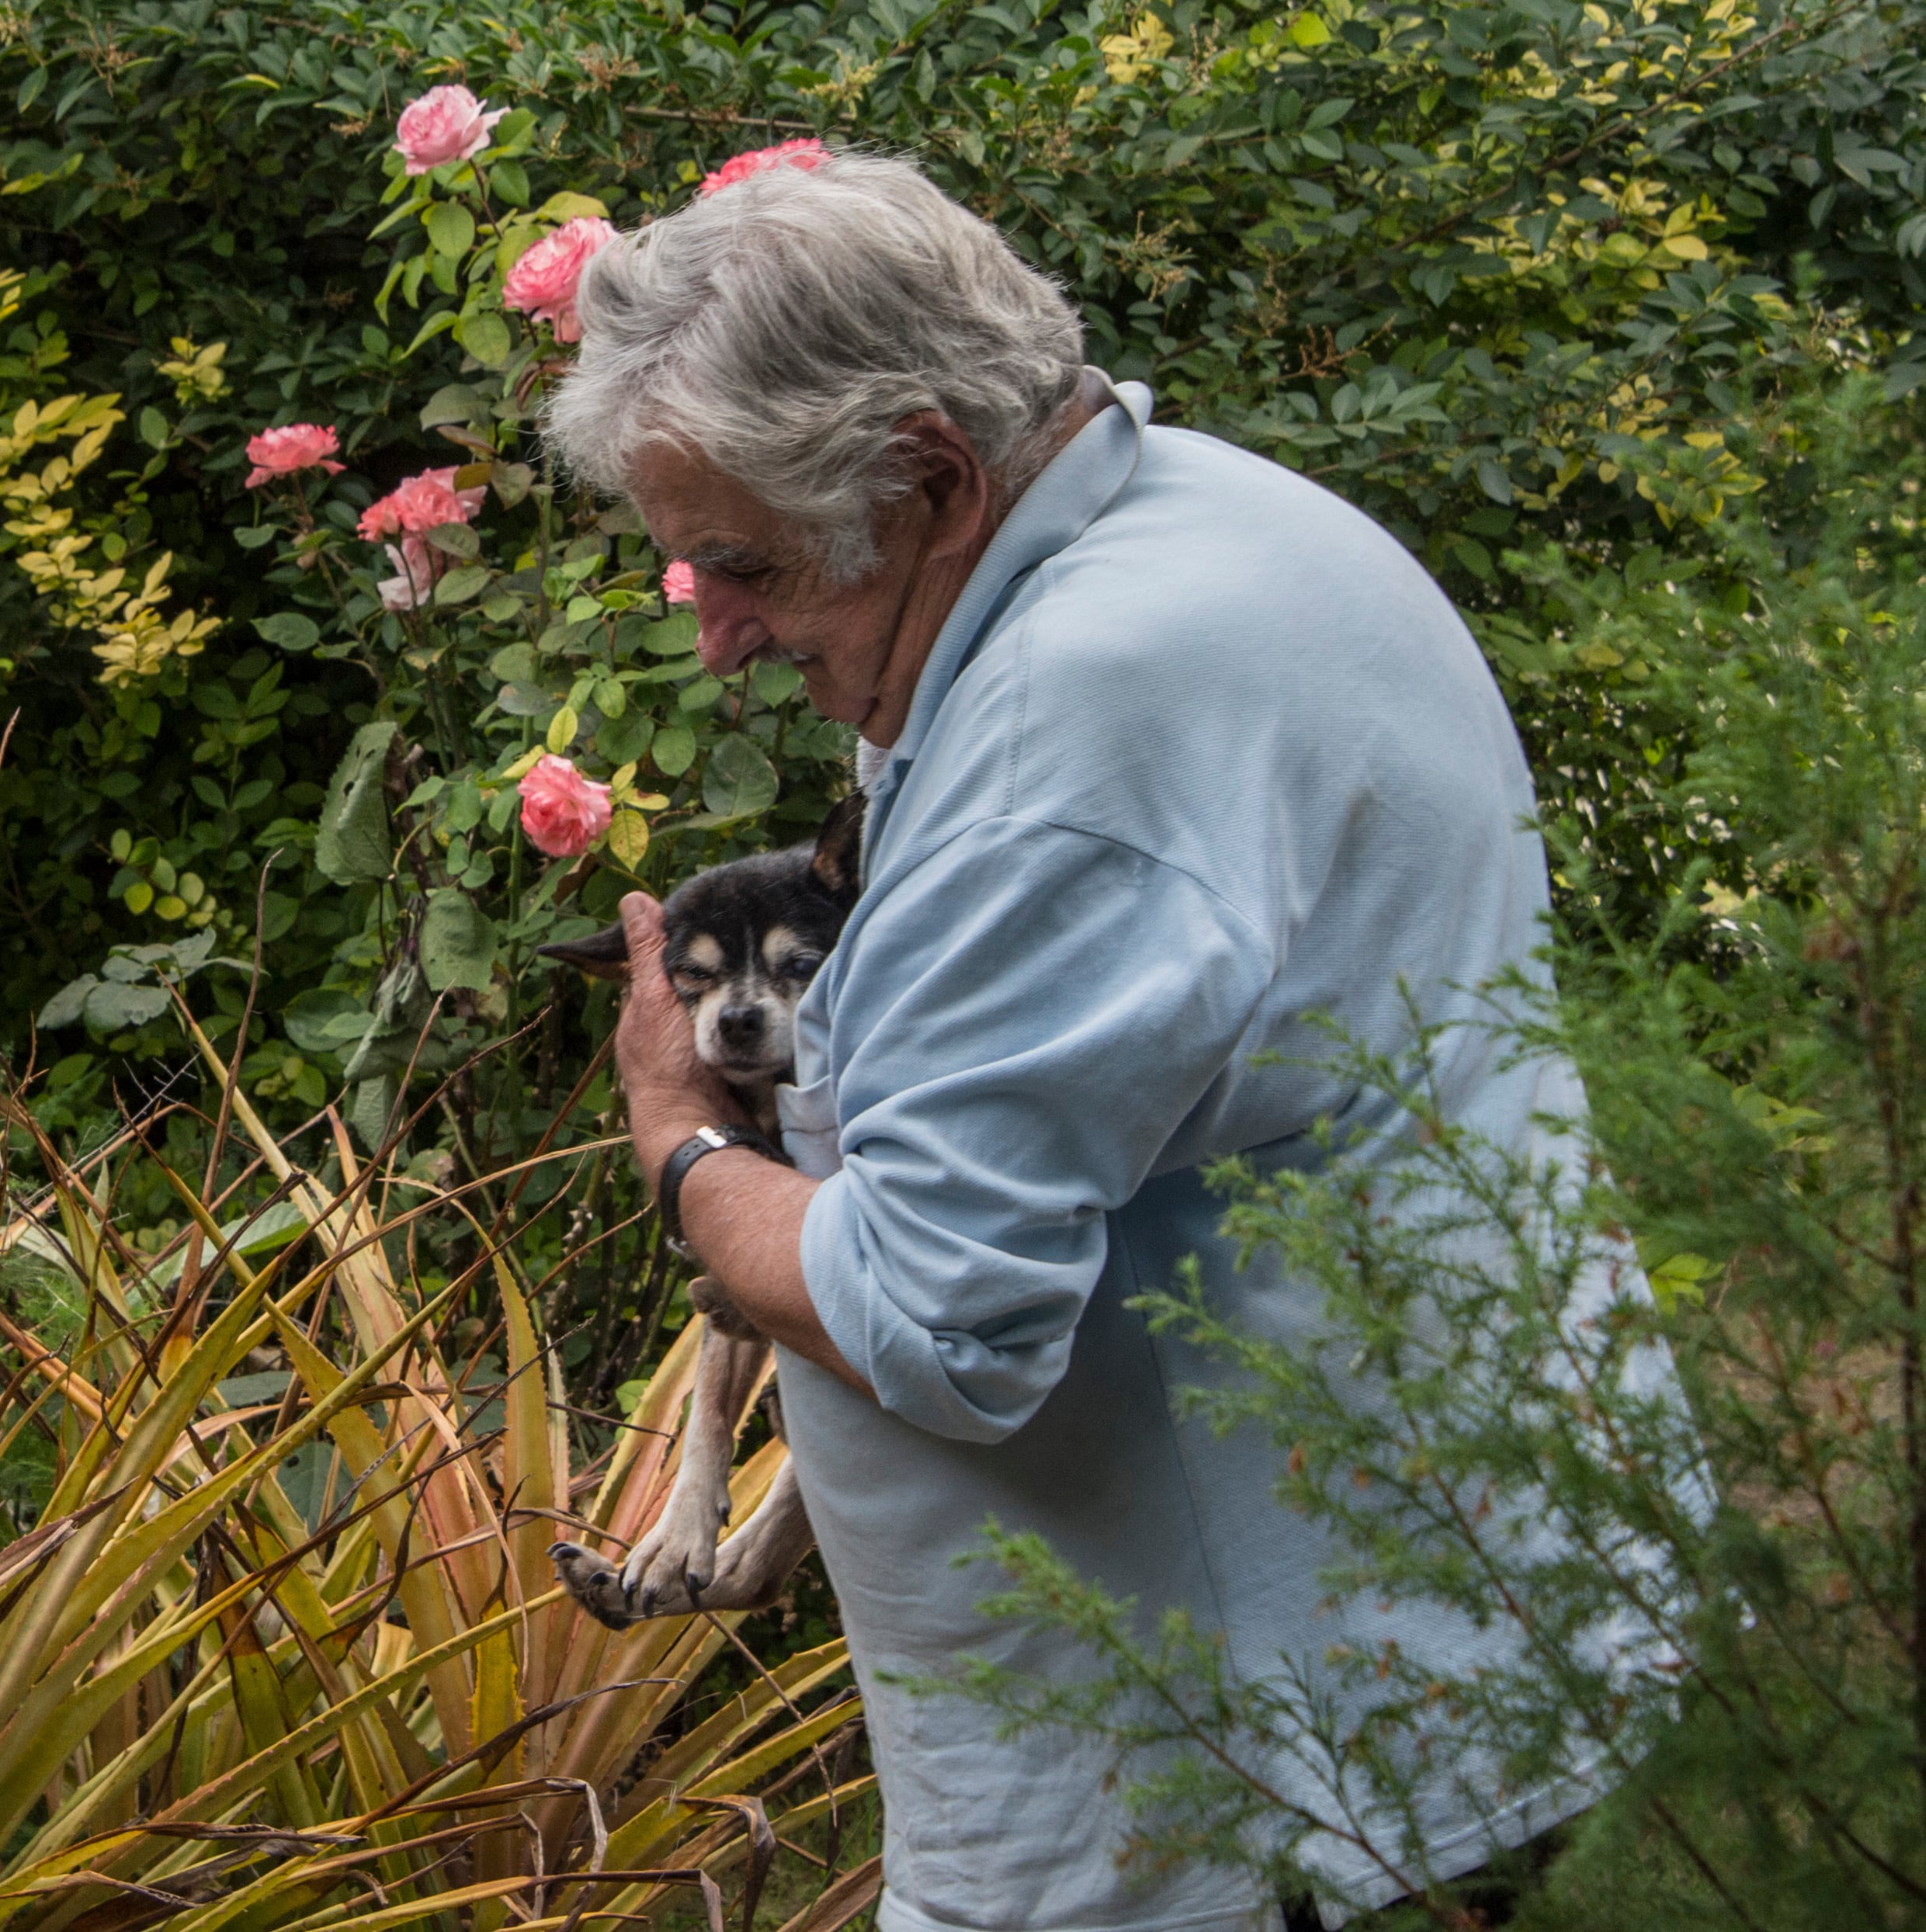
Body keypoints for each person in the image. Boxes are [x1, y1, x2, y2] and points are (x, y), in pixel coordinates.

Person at [543, 151, 1629, 1932]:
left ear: (929, 474)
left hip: (1236, 1784)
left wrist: (684, 1137)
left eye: (739, 566)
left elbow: (944, 1323)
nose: (720, 640)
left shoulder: (1073, 738)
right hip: (1409, 1626)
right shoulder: (1214, 518)